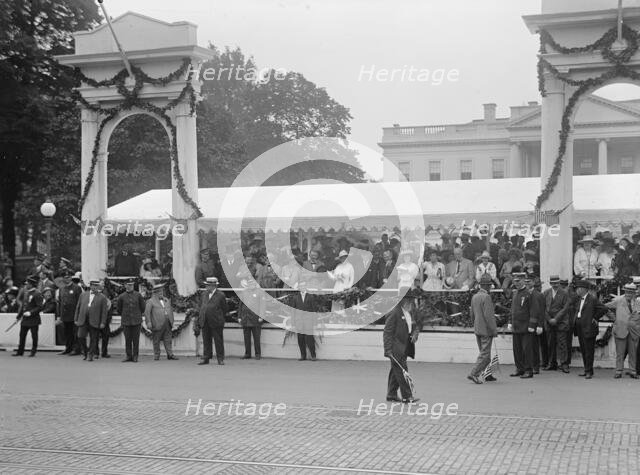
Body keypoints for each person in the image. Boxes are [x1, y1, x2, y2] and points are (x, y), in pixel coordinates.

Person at [383, 297, 421, 403]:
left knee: (396, 371)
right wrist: (388, 350)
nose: (411, 303)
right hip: (396, 347)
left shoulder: (409, 312)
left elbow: (415, 325)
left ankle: (391, 394)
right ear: (403, 301)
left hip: (405, 346)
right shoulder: (394, 312)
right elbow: (387, 332)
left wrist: (415, 333)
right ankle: (407, 396)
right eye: (409, 300)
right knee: (402, 371)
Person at [572, 280, 607, 379]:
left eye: (578, 288)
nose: (577, 290)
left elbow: (604, 308)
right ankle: (587, 370)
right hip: (580, 328)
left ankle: (589, 371)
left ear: (583, 289)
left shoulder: (592, 299)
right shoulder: (579, 299)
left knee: (589, 351)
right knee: (584, 350)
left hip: (589, 328)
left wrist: (595, 318)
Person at [468, 275, 498, 384]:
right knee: (485, 355)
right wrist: (494, 330)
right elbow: (489, 316)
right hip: (486, 330)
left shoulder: (475, 296)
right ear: (486, 286)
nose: (490, 287)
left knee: (484, 354)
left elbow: (472, 315)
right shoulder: (486, 297)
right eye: (489, 285)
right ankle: (473, 374)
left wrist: (475, 325)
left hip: (478, 329)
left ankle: (487, 374)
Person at [605, 283, 640, 379]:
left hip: (634, 332)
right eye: (627, 292)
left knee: (633, 353)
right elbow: (605, 307)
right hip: (620, 329)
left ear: (634, 293)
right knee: (620, 353)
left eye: (631, 292)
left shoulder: (638, 302)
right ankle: (618, 371)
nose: (629, 294)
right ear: (625, 292)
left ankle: (633, 371)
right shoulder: (618, 300)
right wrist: (614, 318)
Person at [508, 273, 536, 379]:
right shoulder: (515, 293)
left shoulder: (528, 294)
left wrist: (532, 324)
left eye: (519, 281)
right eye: (515, 281)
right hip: (516, 326)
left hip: (526, 327)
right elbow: (512, 310)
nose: (517, 283)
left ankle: (529, 371)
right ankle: (519, 369)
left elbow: (534, 310)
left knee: (526, 350)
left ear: (524, 281)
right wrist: (510, 322)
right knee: (517, 350)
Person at [74, 279, 108, 361]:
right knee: (80, 336)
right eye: (93, 285)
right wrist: (76, 318)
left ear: (98, 287)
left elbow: (104, 311)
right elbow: (78, 307)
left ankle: (91, 354)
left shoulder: (103, 297)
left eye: (96, 286)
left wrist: (103, 322)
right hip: (83, 319)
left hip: (95, 320)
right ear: (90, 286)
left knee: (94, 339)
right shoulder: (83, 295)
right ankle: (85, 352)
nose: (94, 287)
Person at [542, 275, 570, 373]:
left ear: (559, 283)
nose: (555, 285)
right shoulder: (546, 293)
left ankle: (564, 364)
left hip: (561, 322)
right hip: (549, 322)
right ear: (550, 283)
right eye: (553, 283)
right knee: (550, 344)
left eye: (557, 283)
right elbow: (543, 308)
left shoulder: (564, 293)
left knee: (562, 344)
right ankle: (551, 363)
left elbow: (565, 308)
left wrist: (556, 319)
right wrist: (549, 319)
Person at [197, 277, 228, 365]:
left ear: (213, 286)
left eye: (208, 285)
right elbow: (201, 306)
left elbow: (224, 308)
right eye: (206, 285)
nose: (206, 287)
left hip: (216, 321)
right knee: (206, 340)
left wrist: (219, 317)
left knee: (218, 341)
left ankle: (220, 358)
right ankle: (206, 357)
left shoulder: (221, 295)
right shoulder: (204, 294)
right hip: (205, 320)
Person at [145, 283, 179, 361]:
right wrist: (148, 322)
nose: (161, 293)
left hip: (167, 322)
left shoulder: (166, 300)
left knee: (168, 339)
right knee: (156, 340)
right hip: (157, 323)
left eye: (162, 291)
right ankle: (157, 355)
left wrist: (172, 320)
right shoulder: (150, 301)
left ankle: (170, 354)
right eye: (159, 292)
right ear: (155, 293)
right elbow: (147, 312)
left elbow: (170, 310)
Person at [12, 276, 43, 357]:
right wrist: (18, 317)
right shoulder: (27, 292)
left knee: (34, 336)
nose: (26, 285)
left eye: (28, 284)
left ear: (32, 284)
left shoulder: (37, 293)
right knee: (22, 336)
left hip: (33, 319)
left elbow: (40, 306)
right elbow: (23, 306)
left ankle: (33, 351)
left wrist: (31, 312)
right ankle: (20, 351)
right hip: (25, 319)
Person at [117, 278, 146, 362]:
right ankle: (128, 356)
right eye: (129, 285)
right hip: (126, 321)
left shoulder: (138, 295)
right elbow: (119, 309)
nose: (130, 286)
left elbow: (143, 307)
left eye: (132, 285)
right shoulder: (121, 296)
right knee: (128, 339)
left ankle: (135, 356)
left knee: (136, 340)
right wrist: (125, 315)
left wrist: (137, 314)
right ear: (125, 285)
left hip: (136, 321)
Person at [289, 279, 318, 361]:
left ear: (306, 287)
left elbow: (313, 310)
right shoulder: (295, 298)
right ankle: (303, 355)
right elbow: (293, 311)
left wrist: (315, 322)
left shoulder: (311, 296)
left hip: (308, 321)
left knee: (310, 339)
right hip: (299, 322)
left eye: (304, 286)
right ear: (299, 287)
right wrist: (293, 323)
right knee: (300, 339)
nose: (302, 287)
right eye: (301, 286)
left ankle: (313, 355)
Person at [237, 277, 263, 359]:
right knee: (246, 338)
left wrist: (261, 316)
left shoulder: (260, 292)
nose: (251, 284)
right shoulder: (244, 292)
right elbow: (240, 306)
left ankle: (257, 354)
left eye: (252, 283)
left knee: (256, 338)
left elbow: (263, 305)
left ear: (255, 284)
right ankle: (247, 354)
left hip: (255, 319)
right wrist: (239, 316)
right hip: (245, 318)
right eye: (249, 283)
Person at [528, 277, 546, 374]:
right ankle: (529, 365)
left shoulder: (539, 295)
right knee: (527, 346)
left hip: (535, 324)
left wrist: (540, 325)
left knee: (534, 346)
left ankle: (535, 366)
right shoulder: (525, 293)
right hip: (525, 323)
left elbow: (541, 311)